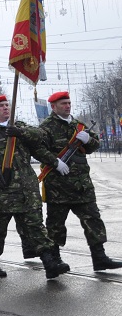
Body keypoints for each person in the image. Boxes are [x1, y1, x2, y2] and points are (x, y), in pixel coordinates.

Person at [0, 95, 70, 279]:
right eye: (1, 106)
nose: (6, 108)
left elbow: (41, 136)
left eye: (7, 105)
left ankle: (49, 263)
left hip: (26, 190)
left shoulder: (20, 127)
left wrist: (21, 134)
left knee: (35, 227)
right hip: (1, 190)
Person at [39, 91, 122, 271]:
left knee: (93, 220)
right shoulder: (46, 128)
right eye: (63, 104)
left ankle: (99, 257)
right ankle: (55, 259)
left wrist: (88, 140)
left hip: (82, 185)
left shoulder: (79, 126)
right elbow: (38, 150)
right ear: (53, 107)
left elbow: (94, 146)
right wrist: (55, 162)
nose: (67, 106)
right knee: (55, 225)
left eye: (68, 103)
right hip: (58, 187)